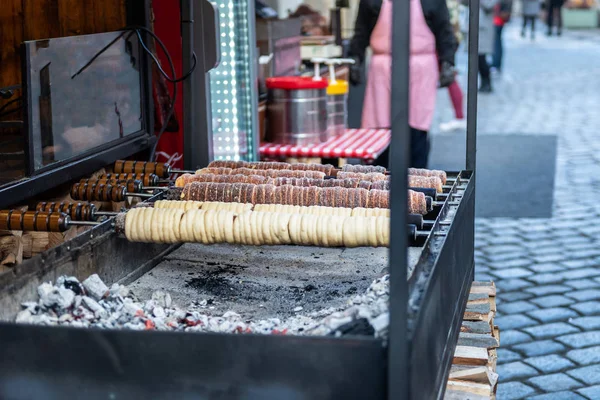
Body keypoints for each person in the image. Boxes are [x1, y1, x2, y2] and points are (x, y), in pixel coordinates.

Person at [348, 0, 456, 168]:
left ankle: (418, 184)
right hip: (382, 68)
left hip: (420, 68)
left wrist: (448, 61)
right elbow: (361, 30)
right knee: (379, 129)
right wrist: (356, 56)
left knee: (417, 127)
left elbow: (444, 30)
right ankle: (378, 184)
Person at [440, 0, 467, 132]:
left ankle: (459, 117)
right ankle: (459, 116)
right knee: (449, 76)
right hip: (449, 37)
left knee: (449, 76)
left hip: (444, 39)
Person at [475, 0, 499, 93]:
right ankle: (484, 83)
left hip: (484, 28)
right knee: (477, 58)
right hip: (478, 25)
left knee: (481, 57)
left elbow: (489, 4)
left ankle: (487, 83)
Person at [491, 0, 512, 73]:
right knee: (497, 41)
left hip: (498, 18)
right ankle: (496, 63)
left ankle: (496, 63)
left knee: (496, 42)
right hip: (498, 16)